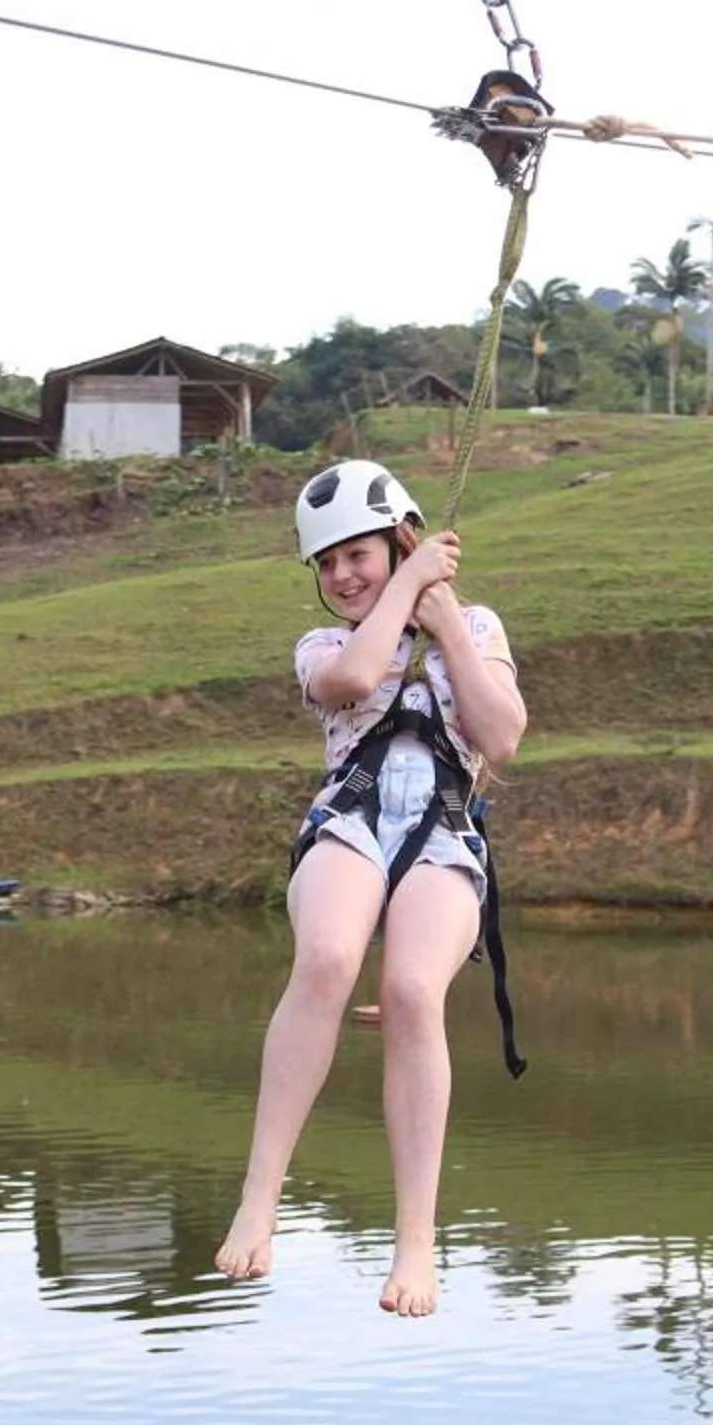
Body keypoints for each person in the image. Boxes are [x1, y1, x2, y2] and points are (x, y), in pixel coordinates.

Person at [215, 459, 527, 1318]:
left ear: (400, 540)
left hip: (444, 830)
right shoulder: (322, 648)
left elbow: (500, 738)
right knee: (324, 957)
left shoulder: (479, 625)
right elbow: (353, 682)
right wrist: (410, 583)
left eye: (361, 555)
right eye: (328, 564)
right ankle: (261, 1196)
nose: (345, 575)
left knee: (415, 989)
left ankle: (417, 1242)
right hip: (349, 823)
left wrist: (447, 620)